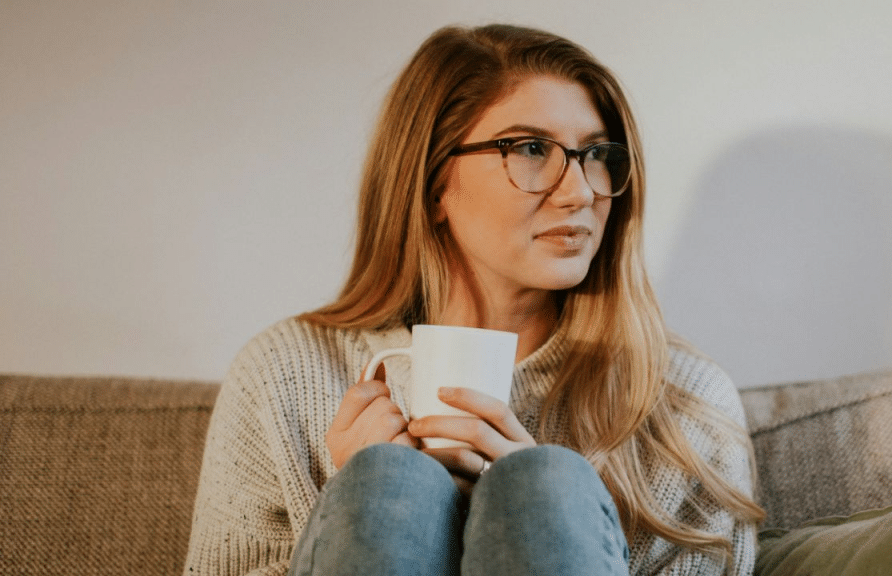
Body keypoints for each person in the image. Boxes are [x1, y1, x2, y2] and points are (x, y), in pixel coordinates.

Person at [184, 23, 765, 576]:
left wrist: (539, 525)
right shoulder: (284, 373)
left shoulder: (683, 403)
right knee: (388, 482)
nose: (581, 191)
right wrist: (359, 508)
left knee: (543, 488)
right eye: (533, 149)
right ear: (434, 183)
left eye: (596, 155)